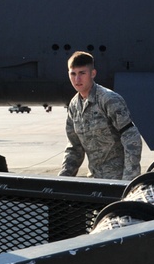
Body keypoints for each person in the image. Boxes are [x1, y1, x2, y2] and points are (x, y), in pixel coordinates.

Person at [60, 51, 142, 181]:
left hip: (118, 178)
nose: (77, 79)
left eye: (82, 73)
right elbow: (74, 148)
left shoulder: (108, 99)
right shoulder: (74, 106)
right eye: (73, 74)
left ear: (93, 74)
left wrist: (128, 180)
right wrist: (62, 180)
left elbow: (132, 138)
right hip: (95, 179)